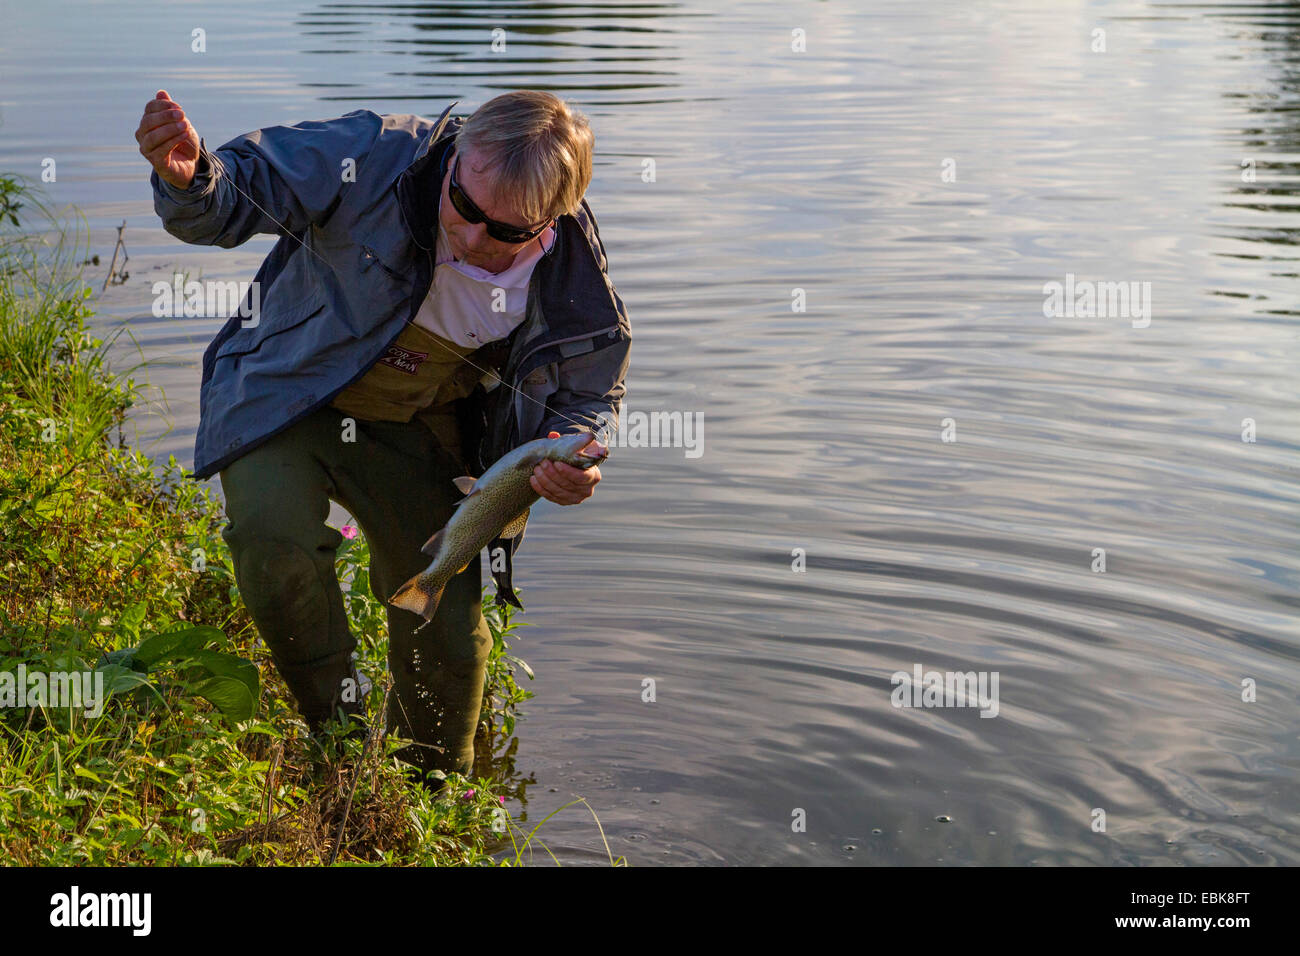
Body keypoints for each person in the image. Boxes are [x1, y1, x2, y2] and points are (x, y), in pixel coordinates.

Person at [136, 88, 630, 780]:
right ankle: (335, 743)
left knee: (448, 634)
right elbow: (236, 194)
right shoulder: (371, 154)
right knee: (271, 540)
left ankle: (431, 790)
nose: (474, 237)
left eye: (508, 232)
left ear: (552, 223)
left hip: (422, 425)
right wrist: (190, 179)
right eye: (464, 206)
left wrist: (574, 461)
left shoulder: (573, 268)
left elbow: (586, 392)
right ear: (457, 161)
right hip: (293, 395)